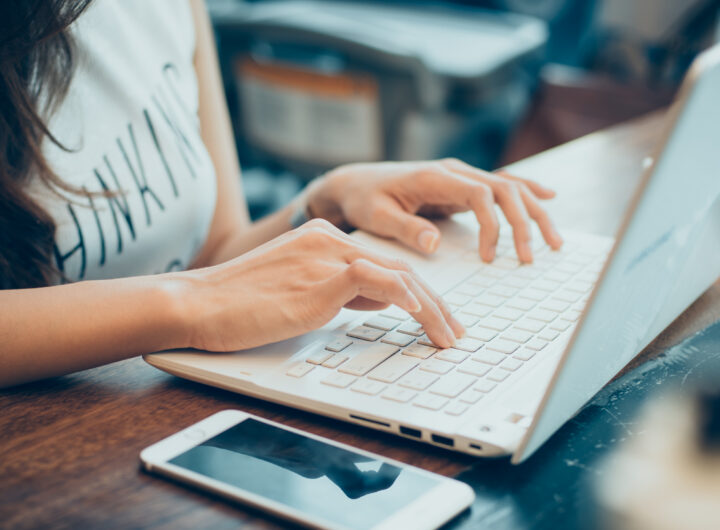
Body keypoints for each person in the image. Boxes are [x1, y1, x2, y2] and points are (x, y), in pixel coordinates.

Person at [0, 0, 563, 388]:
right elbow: (206, 290)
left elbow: (214, 254)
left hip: (169, 403)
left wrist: (324, 203)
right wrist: (188, 303)